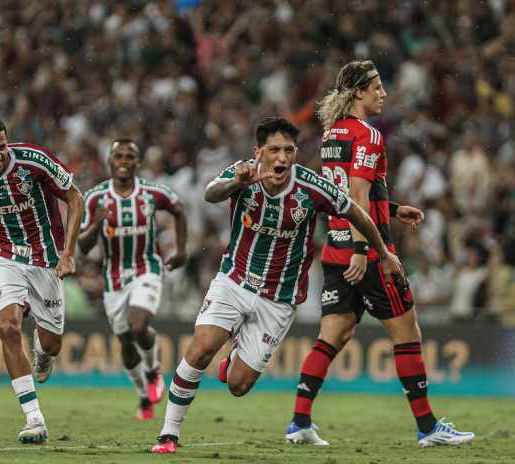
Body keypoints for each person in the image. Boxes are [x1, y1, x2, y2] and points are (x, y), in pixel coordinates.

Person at [151, 117, 404, 454]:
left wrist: (383, 252)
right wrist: (236, 183)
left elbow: (355, 211)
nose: (282, 157)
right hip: (234, 281)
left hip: (279, 299)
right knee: (200, 348)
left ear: (295, 153)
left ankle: (235, 353)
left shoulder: (311, 187)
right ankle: (168, 434)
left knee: (239, 385)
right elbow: (211, 193)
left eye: (288, 150)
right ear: (259, 152)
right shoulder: (243, 172)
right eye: (274, 150)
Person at [286, 60, 474, 447]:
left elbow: (342, 196)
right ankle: (428, 428)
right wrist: (363, 249)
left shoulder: (330, 134)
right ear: (358, 92)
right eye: (376, 88)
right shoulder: (367, 136)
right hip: (367, 253)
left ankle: (299, 422)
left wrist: (390, 208)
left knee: (333, 334)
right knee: (407, 333)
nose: (383, 94)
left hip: (335, 250)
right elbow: (355, 197)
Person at [0, 113, 83, 444]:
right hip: (3, 257)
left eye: (2, 147)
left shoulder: (34, 160)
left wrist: (68, 253)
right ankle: (34, 418)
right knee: (8, 327)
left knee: (52, 343)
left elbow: (74, 197)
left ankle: (41, 349)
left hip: (46, 258)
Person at [78, 139, 187, 420]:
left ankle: (153, 371)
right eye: (118, 156)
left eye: (129, 156)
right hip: (113, 277)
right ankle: (143, 397)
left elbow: (178, 210)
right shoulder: (95, 198)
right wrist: (96, 224)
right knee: (125, 341)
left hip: (147, 268)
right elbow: (84, 246)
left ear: (137, 162)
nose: (123, 160)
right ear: (110, 161)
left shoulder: (152, 193)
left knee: (139, 326)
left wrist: (182, 250)